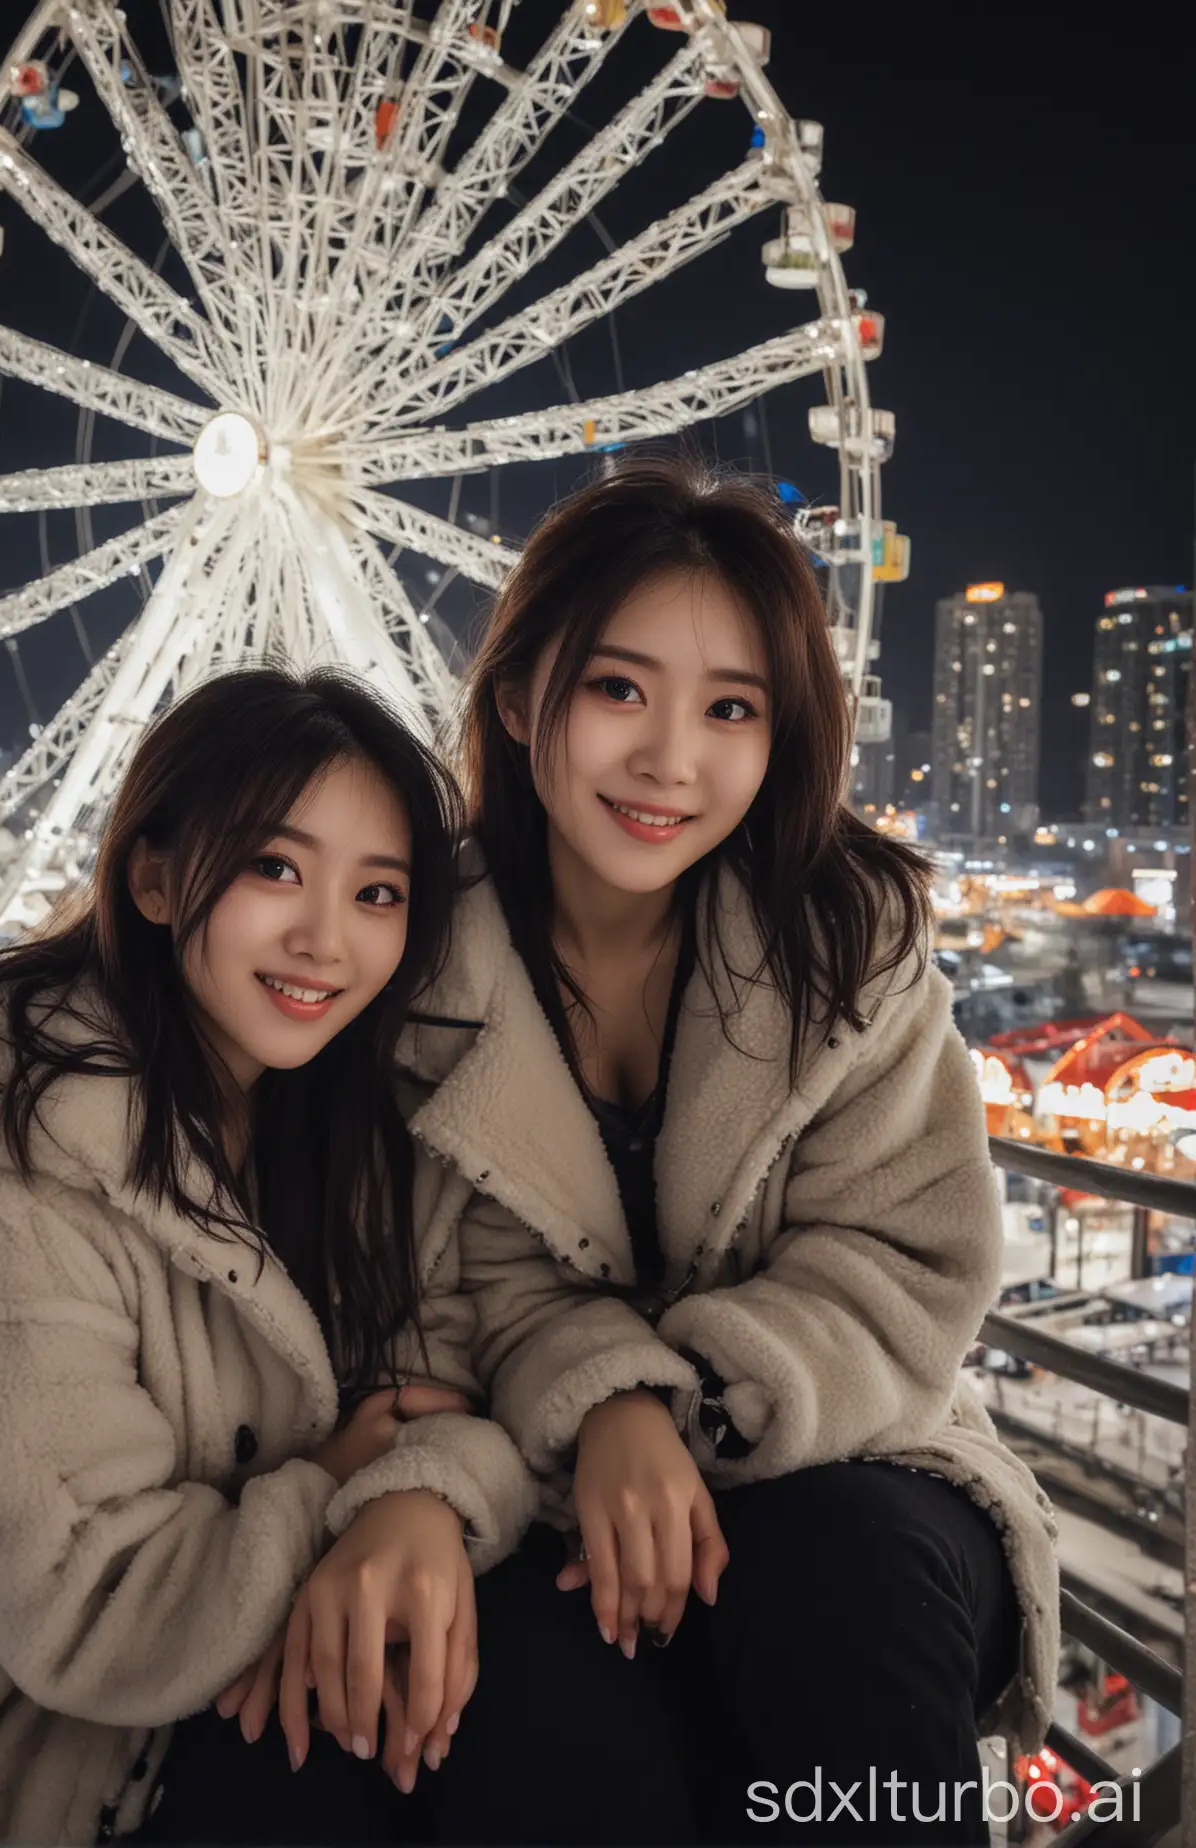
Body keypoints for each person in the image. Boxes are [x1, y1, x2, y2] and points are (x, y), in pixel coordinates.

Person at [396, 455, 1061, 1845]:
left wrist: (681, 1399)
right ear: (521, 699)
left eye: (733, 708)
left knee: (841, 1590)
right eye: (617, 689)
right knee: (535, 1699)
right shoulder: (412, 970)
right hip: (538, 1477)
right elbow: (445, 1294)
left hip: (848, 1449)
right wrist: (601, 1406)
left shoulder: (849, 946)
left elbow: (907, 1256)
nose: (670, 760)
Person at [0, 668, 534, 1846]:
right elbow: (87, 1603)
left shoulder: (366, 1125)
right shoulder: (15, 1158)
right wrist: (342, 1495)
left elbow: (460, 1379)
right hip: (1, 1772)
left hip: (228, 1713)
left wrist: (417, 1501)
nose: (325, 939)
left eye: (381, 892)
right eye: (273, 868)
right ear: (153, 876)